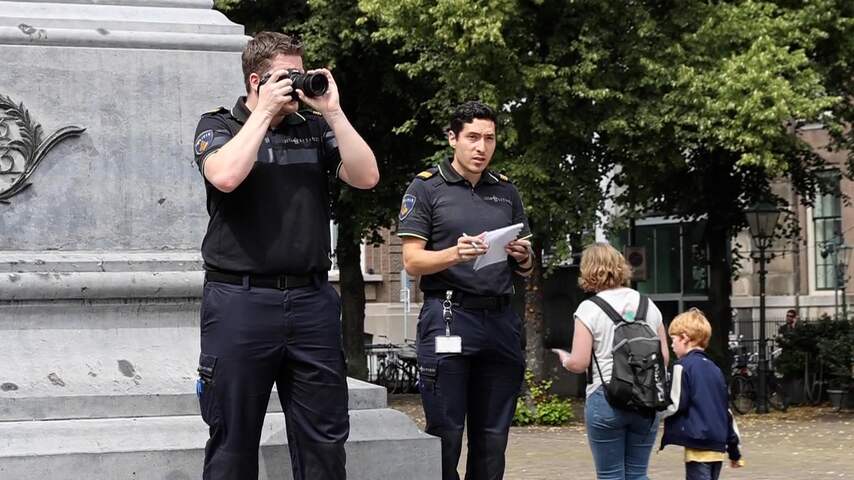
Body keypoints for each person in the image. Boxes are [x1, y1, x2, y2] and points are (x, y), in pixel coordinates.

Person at [191, 31, 378, 480]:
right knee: (232, 441)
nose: (295, 85)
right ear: (255, 81)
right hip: (240, 300)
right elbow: (226, 176)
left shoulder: (312, 128)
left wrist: (332, 112)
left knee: (325, 443)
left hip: (311, 301)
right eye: (284, 77)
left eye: (300, 74)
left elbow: (367, 175)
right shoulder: (218, 126)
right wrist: (266, 113)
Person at [397, 100, 534, 480]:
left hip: (501, 321)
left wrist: (523, 256)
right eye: (472, 137)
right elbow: (411, 261)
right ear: (453, 138)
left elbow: (527, 265)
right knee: (447, 433)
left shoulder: (506, 192)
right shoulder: (426, 188)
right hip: (450, 319)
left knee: (493, 438)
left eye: (489, 138)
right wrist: (454, 254)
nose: (481, 147)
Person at [552, 242, 669, 480]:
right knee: (637, 474)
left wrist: (565, 359)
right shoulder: (648, 304)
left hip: (605, 399)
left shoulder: (589, 309)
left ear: (588, 271)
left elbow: (580, 362)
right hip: (646, 399)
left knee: (610, 476)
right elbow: (664, 357)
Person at [661, 308, 744, 480]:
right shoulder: (715, 369)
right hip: (717, 446)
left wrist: (654, 413)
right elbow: (726, 412)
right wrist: (734, 451)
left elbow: (675, 404)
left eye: (673, 339)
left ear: (684, 338)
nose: (671, 345)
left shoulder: (681, 366)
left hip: (697, 444)